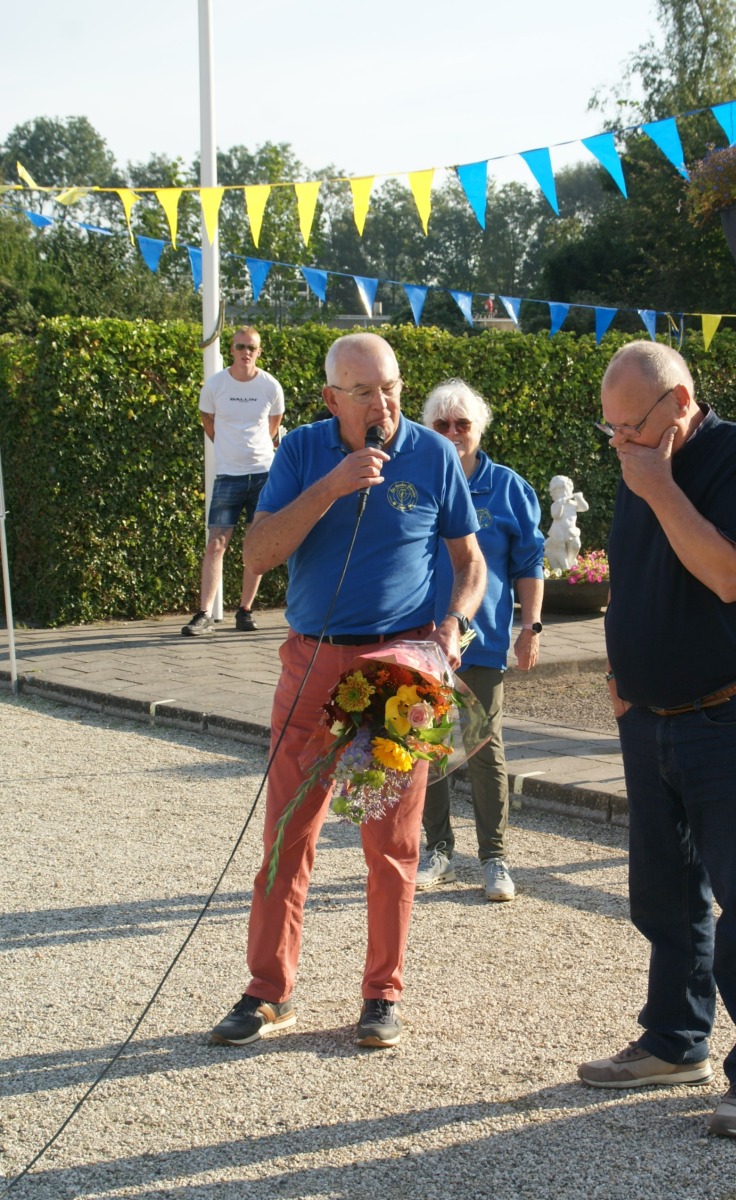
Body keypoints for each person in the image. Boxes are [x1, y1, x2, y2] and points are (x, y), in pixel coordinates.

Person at [210, 332, 486, 1049]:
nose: (381, 405)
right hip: (312, 662)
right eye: (363, 393)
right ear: (332, 398)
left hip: (398, 669)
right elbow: (258, 553)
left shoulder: (433, 454)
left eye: (389, 388)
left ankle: (381, 994)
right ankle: (268, 990)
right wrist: (333, 485)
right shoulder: (302, 452)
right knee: (286, 834)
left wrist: (455, 623)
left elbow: (470, 562)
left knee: (391, 842)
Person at [578, 339, 736, 1141]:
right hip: (649, 714)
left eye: (630, 426)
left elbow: (730, 577)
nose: (620, 443)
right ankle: (674, 1039)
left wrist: (660, 485)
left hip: (732, 713)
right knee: (662, 892)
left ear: (677, 402)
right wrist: (618, 671)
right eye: (609, 430)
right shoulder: (640, 462)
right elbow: (632, 576)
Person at [415, 380, 544, 901]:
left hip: (479, 640)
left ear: (479, 429)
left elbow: (529, 563)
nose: (452, 432)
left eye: (462, 424)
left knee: (484, 748)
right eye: (441, 424)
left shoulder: (509, 488)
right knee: (425, 746)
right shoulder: (415, 481)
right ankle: (438, 850)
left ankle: (494, 857)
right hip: (417, 640)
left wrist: (530, 626)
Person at [181, 326, 284, 636]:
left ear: (259, 352)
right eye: (240, 346)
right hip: (228, 475)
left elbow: (274, 425)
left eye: (251, 347)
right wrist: (228, 447)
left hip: (263, 474)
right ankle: (204, 614)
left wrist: (254, 449)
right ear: (231, 349)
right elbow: (207, 420)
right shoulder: (215, 386)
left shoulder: (270, 386)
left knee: (255, 544)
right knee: (216, 543)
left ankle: (245, 610)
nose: (245, 352)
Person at [546, 475, 589, 572]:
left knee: (576, 545)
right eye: (559, 491)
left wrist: (579, 498)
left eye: (566, 489)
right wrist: (560, 504)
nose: (564, 493)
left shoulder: (573, 504)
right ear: (554, 493)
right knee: (560, 549)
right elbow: (556, 515)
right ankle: (565, 568)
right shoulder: (555, 504)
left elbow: (584, 508)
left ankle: (571, 561)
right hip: (558, 531)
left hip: (571, 531)